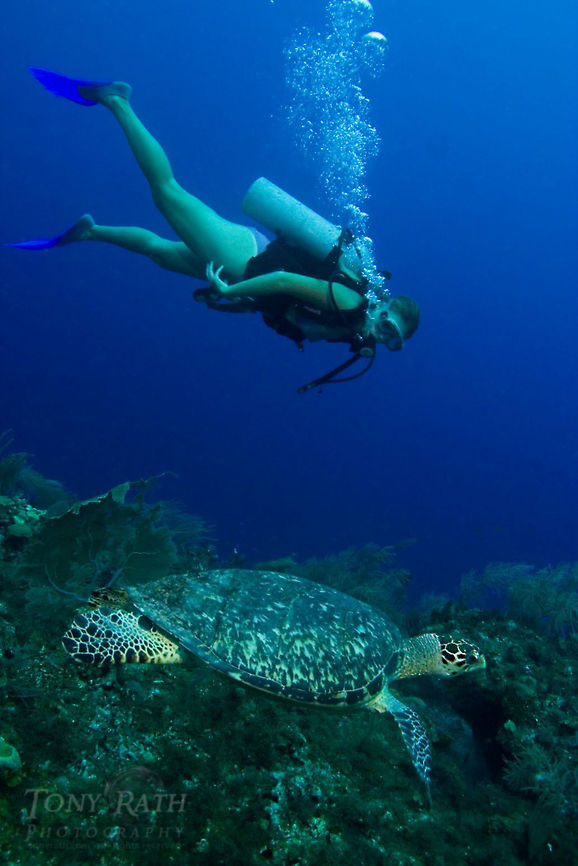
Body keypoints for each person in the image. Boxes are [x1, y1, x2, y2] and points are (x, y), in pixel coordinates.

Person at [6, 68, 420, 389]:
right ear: (382, 308)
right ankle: (118, 102)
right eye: (388, 325)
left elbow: (291, 310)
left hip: (248, 265)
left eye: (393, 341)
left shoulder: (349, 330)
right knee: (166, 192)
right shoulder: (350, 303)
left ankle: (90, 231)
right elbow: (282, 278)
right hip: (248, 260)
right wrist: (230, 291)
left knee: (162, 254)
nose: (384, 336)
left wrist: (242, 301)